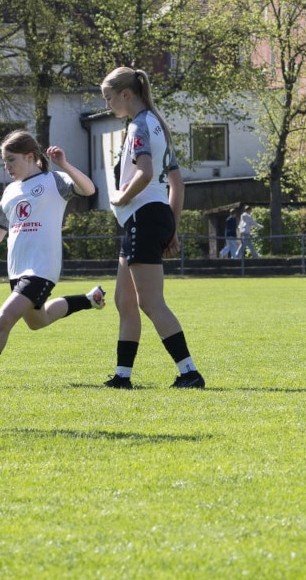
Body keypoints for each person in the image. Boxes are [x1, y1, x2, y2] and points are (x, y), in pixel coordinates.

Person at [0, 131, 104, 390]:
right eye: (4, 161)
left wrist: (64, 164)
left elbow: (89, 189)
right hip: (17, 272)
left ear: (30, 157)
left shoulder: (54, 180)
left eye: (11, 160)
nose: (7, 167)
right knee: (38, 321)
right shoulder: (10, 192)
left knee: (4, 318)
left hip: (41, 269)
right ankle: (89, 300)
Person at [101, 67, 205, 389]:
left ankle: (189, 372)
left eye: (109, 98)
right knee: (125, 300)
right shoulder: (156, 124)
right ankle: (122, 377)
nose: (107, 105)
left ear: (126, 94)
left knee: (150, 301)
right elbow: (177, 183)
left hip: (143, 218)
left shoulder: (139, 127)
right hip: (151, 218)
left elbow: (144, 173)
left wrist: (120, 197)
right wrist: (172, 228)